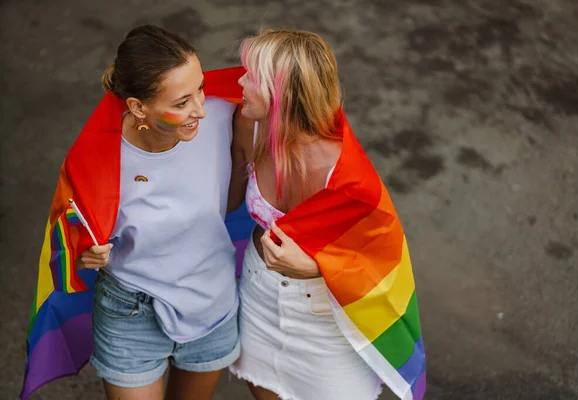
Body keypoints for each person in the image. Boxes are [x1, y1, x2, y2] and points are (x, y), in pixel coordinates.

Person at [227, 29, 426, 400]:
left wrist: (316, 268)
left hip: (325, 316)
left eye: (251, 77)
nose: (239, 81)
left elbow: (382, 260)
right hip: (259, 295)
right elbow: (224, 205)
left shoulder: (349, 176)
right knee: (265, 389)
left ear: (280, 93)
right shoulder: (247, 124)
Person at [51, 25, 243, 400]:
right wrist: (85, 253)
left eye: (201, 88)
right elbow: (70, 236)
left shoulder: (225, 116)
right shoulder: (96, 160)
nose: (200, 110)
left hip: (212, 302)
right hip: (130, 312)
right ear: (138, 107)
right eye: (182, 102)